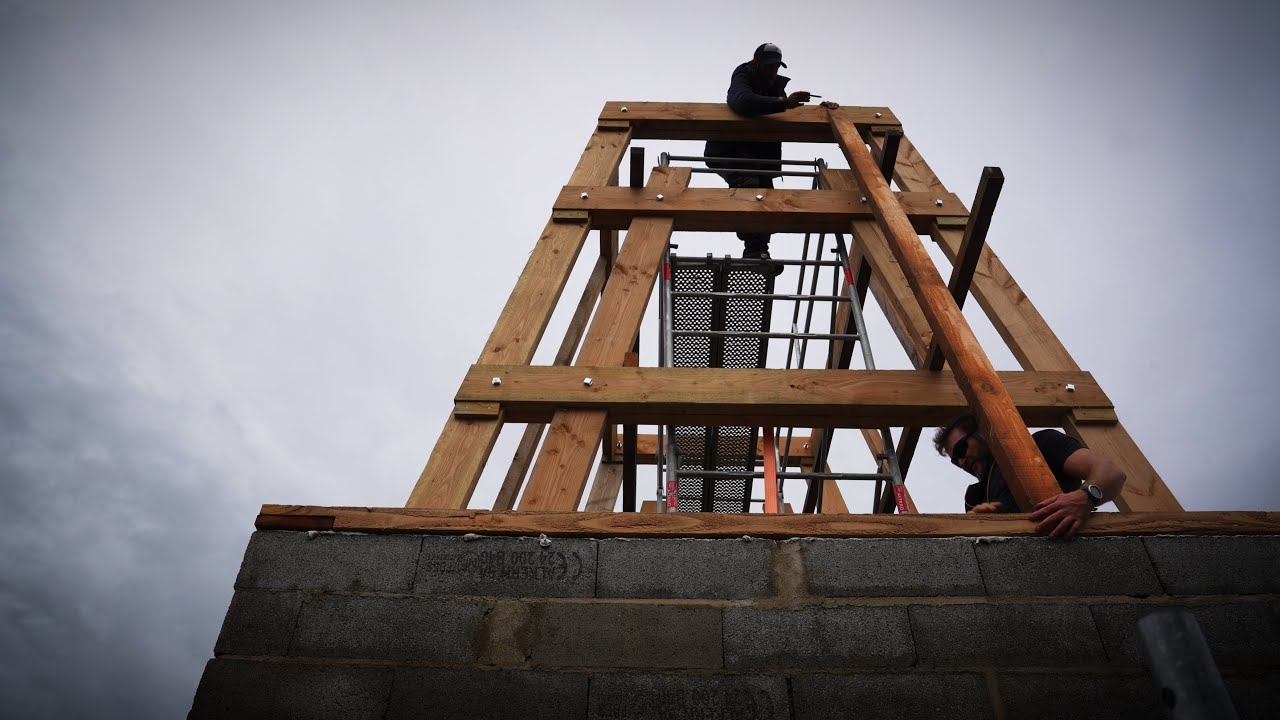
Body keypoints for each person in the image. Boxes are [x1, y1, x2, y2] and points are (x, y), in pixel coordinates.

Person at [705, 43, 838, 269]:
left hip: (758, 158)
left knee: (766, 198)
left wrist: (821, 110)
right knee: (749, 185)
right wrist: (783, 102)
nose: (772, 71)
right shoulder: (744, 75)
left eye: (776, 66)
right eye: (768, 66)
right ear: (756, 63)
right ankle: (754, 251)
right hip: (731, 151)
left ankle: (759, 252)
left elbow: (787, 112)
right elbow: (741, 102)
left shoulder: (776, 88)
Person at [933, 413, 1127, 539]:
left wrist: (1086, 497)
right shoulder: (976, 498)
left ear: (982, 433)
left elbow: (1112, 473)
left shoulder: (1039, 446)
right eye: (954, 460)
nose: (961, 462)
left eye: (960, 449)